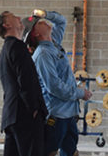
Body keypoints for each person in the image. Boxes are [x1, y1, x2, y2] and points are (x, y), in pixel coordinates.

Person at [22, 9, 92, 156]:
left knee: (71, 152)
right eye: (38, 23)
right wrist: (80, 93)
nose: (42, 22)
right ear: (36, 34)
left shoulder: (53, 43)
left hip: (68, 114)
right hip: (56, 115)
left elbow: (61, 21)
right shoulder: (43, 54)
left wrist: (46, 14)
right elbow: (54, 87)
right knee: (49, 152)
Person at [0, 11, 48, 156]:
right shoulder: (17, 47)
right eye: (13, 16)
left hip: (12, 115)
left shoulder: (6, 49)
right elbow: (26, 80)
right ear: (7, 25)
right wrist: (34, 108)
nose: (19, 18)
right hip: (25, 115)